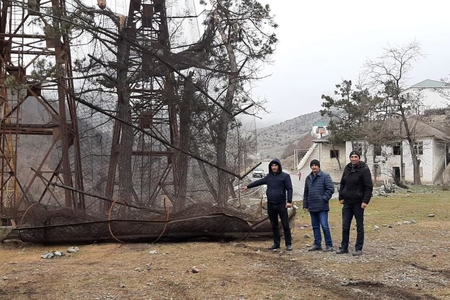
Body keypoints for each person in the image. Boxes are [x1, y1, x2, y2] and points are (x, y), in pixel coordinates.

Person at [243, 159, 293, 251]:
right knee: (274, 225)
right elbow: (259, 182)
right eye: (272, 165)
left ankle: (288, 244)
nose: (274, 167)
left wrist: (289, 201)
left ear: (279, 166)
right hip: (271, 204)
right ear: (270, 167)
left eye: (276, 165)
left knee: (285, 225)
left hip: (281, 204)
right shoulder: (269, 177)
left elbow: (289, 189)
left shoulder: (285, 176)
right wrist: (248, 186)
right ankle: (276, 243)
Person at [336, 150, 373, 256]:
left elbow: (368, 187)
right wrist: (341, 196)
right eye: (352, 157)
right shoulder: (347, 168)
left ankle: (358, 248)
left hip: (358, 202)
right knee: (345, 226)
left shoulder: (364, 169)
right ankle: (344, 247)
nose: (353, 159)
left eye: (355, 157)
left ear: (359, 158)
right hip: (347, 202)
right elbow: (342, 183)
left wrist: (365, 201)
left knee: (359, 226)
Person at [303, 159, 335, 252]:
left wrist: (324, 199)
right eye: (312, 165)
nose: (314, 167)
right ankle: (317, 244)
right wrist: (305, 204)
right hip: (312, 206)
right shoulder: (308, 178)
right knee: (315, 226)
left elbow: (330, 189)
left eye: (315, 165)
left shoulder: (325, 176)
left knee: (324, 226)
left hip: (322, 207)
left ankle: (329, 245)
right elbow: (306, 192)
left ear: (319, 166)